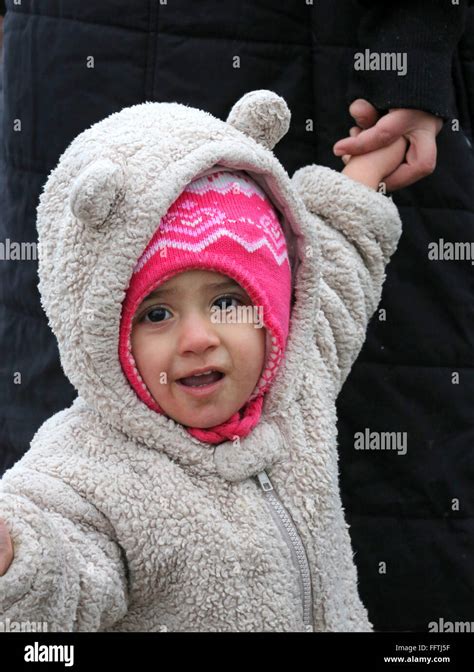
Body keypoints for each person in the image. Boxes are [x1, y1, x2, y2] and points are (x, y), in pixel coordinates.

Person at [0, 90, 407, 631]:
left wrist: (373, 162)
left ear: (272, 305)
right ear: (101, 331)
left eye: (226, 302)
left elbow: (336, 258)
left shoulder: (295, 379)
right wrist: (14, 557)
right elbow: (59, 575)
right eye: (155, 314)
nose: (197, 338)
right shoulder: (88, 472)